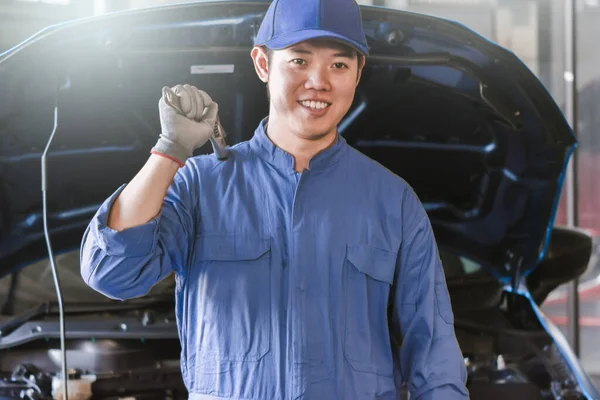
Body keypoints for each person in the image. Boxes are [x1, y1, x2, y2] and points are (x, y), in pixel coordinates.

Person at [80, 0, 469, 398]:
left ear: (357, 73)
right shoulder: (199, 186)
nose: (319, 81)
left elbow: (434, 354)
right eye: (299, 61)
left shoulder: (394, 201)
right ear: (263, 64)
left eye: (339, 64)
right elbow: (112, 272)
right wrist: (170, 150)